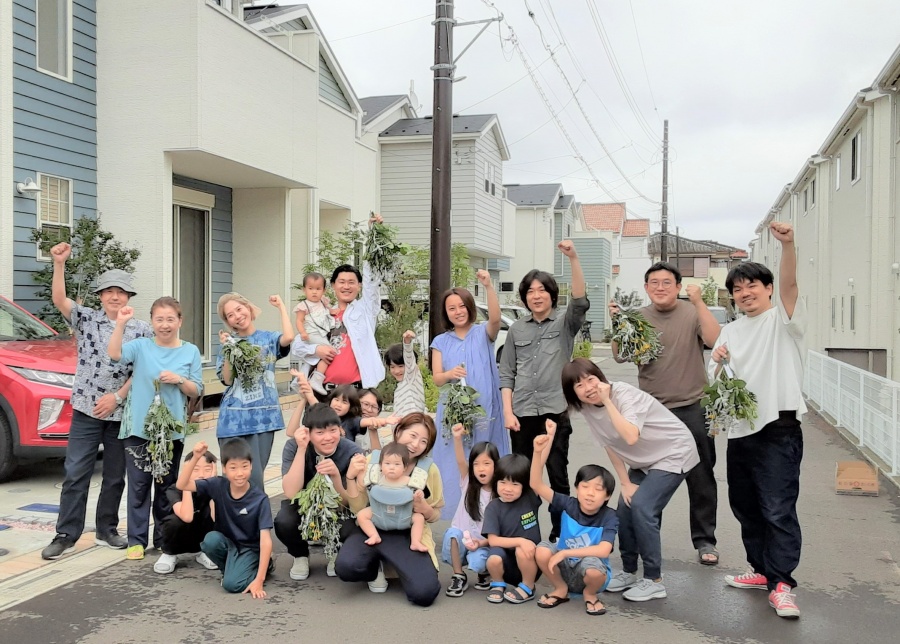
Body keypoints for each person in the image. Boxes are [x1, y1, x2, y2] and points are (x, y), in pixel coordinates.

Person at [710, 222, 805, 620]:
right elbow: (716, 383)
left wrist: (788, 245)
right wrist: (717, 362)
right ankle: (762, 570)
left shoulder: (783, 320)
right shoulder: (729, 331)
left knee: (778, 509)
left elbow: (791, 286)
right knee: (745, 506)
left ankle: (782, 585)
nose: (745, 293)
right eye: (737, 288)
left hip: (778, 427)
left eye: (752, 285)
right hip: (739, 432)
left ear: (767, 289)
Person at [41, 243, 152, 560]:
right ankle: (66, 534)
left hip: (122, 413)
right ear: (101, 295)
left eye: (121, 292)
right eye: (109, 292)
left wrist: (117, 397)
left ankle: (107, 529)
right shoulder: (87, 319)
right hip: (86, 410)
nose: (115, 297)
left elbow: (143, 370)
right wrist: (59, 263)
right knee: (76, 473)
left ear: (128, 296)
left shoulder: (141, 330)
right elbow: (59, 299)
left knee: (115, 476)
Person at [609, 262, 722, 565]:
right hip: (651, 412)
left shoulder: (691, 312)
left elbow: (714, 340)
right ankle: (644, 539)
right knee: (644, 475)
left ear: (678, 286)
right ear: (646, 288)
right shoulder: (637, 317)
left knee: (701, 477)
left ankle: (705, 540)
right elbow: (619, 355)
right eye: (654, 283)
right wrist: (619, 323)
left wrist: (699, 302)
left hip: (693, 406)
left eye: (667, 282)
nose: (660, 287)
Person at [561, 358, 699, 602]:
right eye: (579, 385)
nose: (588, 388)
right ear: (573, 393)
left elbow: (630, 436)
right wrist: (624, 482)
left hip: (673, 452)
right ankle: (629, 571)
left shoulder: (624, 395)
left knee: (643, 507)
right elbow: (610, 445)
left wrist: (607, 401)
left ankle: (654, 580)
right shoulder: (587, 409)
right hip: (643, 461)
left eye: (591, 380)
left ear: (600, 378)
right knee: (624, 507)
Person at [500, 240, 589, 540]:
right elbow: (507, 373)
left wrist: (573, 258)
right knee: (522, 477)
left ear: (552, 295)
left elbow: (579, 300)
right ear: (524, 297)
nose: (536, 296)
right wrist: (508, 412)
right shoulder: (517, 329)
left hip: (555, 412)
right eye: (530, 291)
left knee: (557, 474)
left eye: (541, 290)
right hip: (522, 414)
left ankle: (561, 533)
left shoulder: (564, 324)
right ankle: (525, 531)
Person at [109, 297, 203, 560]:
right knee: (139, 486)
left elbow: (196, 389)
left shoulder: (190, 351)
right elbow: (115, 355)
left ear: (180, 321)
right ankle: (136, 541)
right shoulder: (141, 346)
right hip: (138, 429)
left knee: (166, 486)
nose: (165, 325)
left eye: (170, 319)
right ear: (152, 321)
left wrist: (179, 379)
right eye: (159, 319)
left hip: (170, 432)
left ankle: (163, 538)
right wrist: (120, 325)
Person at [336, 413, 444, 606]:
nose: (415, 444)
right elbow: (358, 508)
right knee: (346, 567)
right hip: (374, 527)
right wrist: (351, 478)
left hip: (407, 533)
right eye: (412, 435)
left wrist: (424, 508)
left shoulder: (428, 469)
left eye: (424, 441)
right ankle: (375, 566)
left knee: (425, 593)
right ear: (399, 431)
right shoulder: (374, 460)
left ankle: (391, 562)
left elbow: (435, 514)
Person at [431, 270, 509, 520]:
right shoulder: (440, 341)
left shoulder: (482, 333)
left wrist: (488, 286)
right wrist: (449, 373)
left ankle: (490, 511)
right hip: (455, 410)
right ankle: (459, 514)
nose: (458, 311)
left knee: (485, 454)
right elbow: (437, 378)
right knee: (455, 457)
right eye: (452, 308)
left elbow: (496, 319)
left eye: (462, 306)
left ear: (470, 307)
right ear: (446, 313)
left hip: (484, 407)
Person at [291, 214, 387, 392]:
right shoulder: (320, 312)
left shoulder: (365, 310)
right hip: (323, 391)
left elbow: (372, 283)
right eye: (341, 282)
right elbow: (297, 346)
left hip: (356, 391)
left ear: (359, 286)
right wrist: (316, 349)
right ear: (333, 285)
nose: (346, 286)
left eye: (351, 282)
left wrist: (374, 234)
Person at [531, 421, 618, 616]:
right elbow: (536, 484)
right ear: (577, 488)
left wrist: (564, 553)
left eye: (598, 489)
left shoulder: (609, 516)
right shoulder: (568, 504)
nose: (590, 493)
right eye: (585, 487)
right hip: (564, 568)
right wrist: (537, 452)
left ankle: (590, 594)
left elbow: (604, 550)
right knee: (542, 550)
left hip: (590, 570)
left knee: (593, 568)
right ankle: (560, 589)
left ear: (607, 496)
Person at [275, 402, 362, 580]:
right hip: (303, 505)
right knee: (284, 521)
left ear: (340, 429)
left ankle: (335, 549)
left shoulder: (352, 452)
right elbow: (291, 493)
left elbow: (348, 504)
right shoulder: (294, 446)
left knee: (352, 525)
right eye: (320, 433)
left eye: (333, 430)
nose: (328, 438)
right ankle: (300, 555)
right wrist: (301, 449)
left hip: (337, 508)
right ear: (308, 433)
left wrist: (336, 477)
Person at [216, 292, 294, 490]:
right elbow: (227, 380)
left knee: (256, 479)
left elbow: (289, 337)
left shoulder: (268, 339)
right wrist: (228, 349)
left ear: (248, 308)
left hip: (263, 419)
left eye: (239, 309)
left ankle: (258, 511)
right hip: (232, 421)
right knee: (233, 482)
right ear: (228, 322)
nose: (237, 316)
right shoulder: (228, 343)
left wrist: (281, 307)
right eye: (230, 315)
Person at [178, 439, 274, 599]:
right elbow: (182, 485)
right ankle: (231, 570)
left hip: (250, 549)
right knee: (210, 540)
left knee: (232, 585)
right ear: (224, 468)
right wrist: (195, 457)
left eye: (244, 466)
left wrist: (259, 580)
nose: (239, 473)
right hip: (228, 544)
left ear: (251, 466)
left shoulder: (260, 499)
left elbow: (266, 541)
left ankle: (263, 566)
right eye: (233, 468)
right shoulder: (218, 485)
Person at [442, 424, 498, 598]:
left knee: (479, 562)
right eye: (476, 464)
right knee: (452, 534)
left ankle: (483, 572)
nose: (481, 468)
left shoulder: (499, 492)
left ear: (496, 466)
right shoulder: (468, 483)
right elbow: (460, 461)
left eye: (487, 463)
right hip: (462, 538)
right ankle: (458, 575)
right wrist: (457, 438)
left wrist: (481, 543)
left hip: (483, 542)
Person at [482, 453, 542, 605]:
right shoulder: (493, 507)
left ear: (524, 485)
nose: (508, 489)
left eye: (515, 484)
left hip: (531, 561)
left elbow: (537, 472)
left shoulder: (529, 498)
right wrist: (520, 541)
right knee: (493, 558)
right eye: (503, 482)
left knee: (522, 550)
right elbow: (493, 540)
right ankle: (498, 583)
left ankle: (528, 586)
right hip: (506, 563)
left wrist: (538, 450)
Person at [352, 442, 428, 552]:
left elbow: (418, 497)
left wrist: (419, 496)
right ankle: (374, 535)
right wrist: (361, 468)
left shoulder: (410, 481)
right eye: (387, 463)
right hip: (378, 514)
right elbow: (362, 483)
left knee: (419, 518)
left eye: (397, 464)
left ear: (405, 467)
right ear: (380, 465)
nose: (392, 467)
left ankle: (415, 542)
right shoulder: (377, 479)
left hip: (404, 516)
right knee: (361, 515)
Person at [154, 450, 220, 574]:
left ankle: (206, 552)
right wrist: (187, 485)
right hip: (180, 536)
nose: (201, 475)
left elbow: (217, 518)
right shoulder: (174, 490)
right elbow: (187, 516)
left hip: (203, 537)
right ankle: (169, 554)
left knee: (212, 512)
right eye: (195, 469)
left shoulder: (219, 487)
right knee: (174, 521)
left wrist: (214, 486)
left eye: (207, 470)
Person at [293, 272, 336, 395]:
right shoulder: (303, 306)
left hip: (321, 333)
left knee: (322, 356)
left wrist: (333, 311)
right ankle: (316, 379)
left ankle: (303, 378)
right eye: (310, 288)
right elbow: (299, 320)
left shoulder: (322, 302)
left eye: (318, 289)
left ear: (324, 290)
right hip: (311, 334)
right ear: (304, 290)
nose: (314, 292)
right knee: (330, 352)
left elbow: (328, 311)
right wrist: (302, 332)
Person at [327, 385, 398, 447]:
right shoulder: (326, 418)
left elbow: (376, 457)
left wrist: (376, 428)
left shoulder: (353, 422)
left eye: (374, 407)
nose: (369, 410)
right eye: (366, 404)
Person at [384, 329, 425, 423]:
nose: (396, 371)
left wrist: (407, 342)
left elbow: (409, 358)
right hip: (403, 428)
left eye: (401, 366)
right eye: (392, 367)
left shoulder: (411, 378)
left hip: (414, 425)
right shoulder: (399, 388)